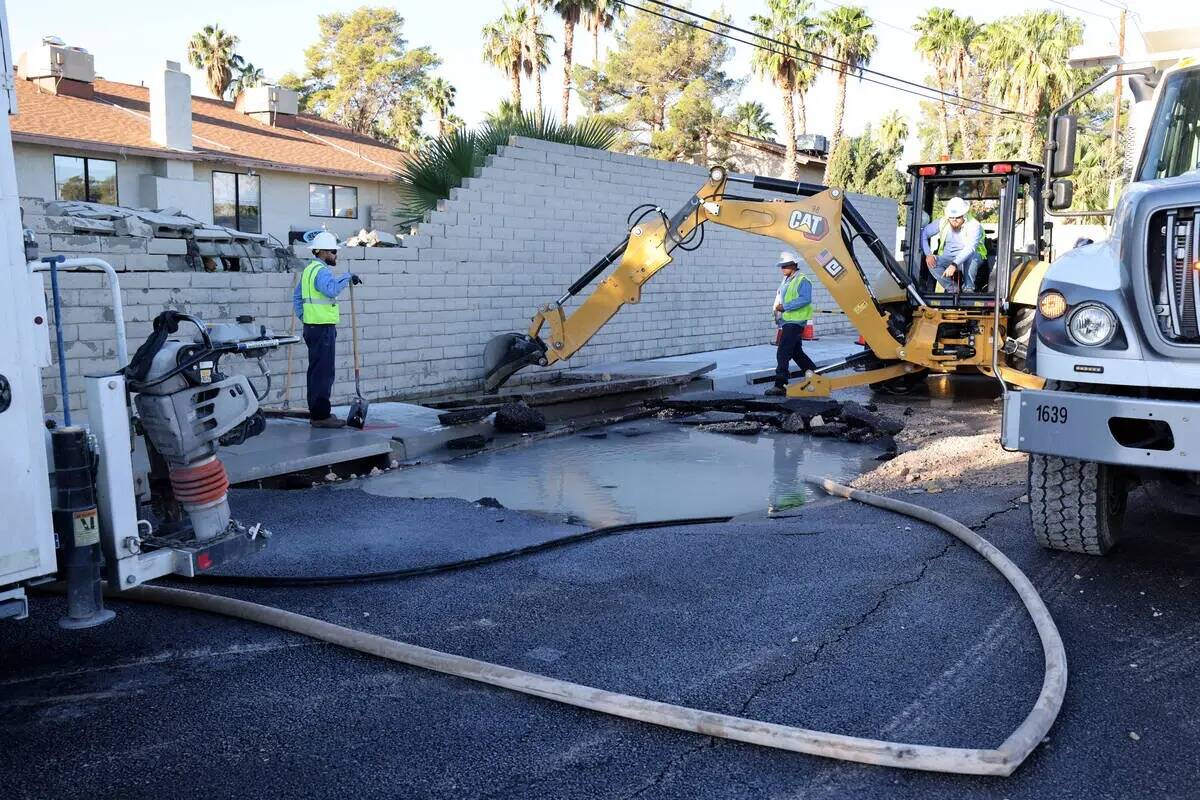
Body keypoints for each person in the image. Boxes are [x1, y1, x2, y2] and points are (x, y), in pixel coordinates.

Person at [292, 231, 360, 428]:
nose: (335, 255)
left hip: (312, 328)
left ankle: (317, 413)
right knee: (323, 373)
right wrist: (348, 277)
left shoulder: (308, 270)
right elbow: (330, 289)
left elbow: (297, 298)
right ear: (321, 252)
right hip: (322, 330)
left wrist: (305, 317)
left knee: (315, 372)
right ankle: (321, 416)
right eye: (332, 251)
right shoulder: (321, 271)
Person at [766, 253, 816, 397]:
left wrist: (785, 306)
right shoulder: (786, 280)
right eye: (782, 266)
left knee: (783, 352)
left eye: (785, 265)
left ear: (794, 266)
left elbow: (805, 299)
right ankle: (815, 375)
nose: (782, 268)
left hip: (796, 321)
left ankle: (780, 385)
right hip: (788, 321)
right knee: (796, 352)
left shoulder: (802, 280)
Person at [920, 196, 986, 293]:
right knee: (931, 262)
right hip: (948, 258)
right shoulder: (943, 222)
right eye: (951, 217)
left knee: (972, 255)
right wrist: (928, 254)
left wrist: (954, 264)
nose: (954, 220)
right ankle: (952, 288)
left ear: (964, 214)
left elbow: (970, 248)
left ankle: (968, 288)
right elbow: (923, 234)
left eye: (958, 217)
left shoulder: (974, 225)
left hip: (969, 259)